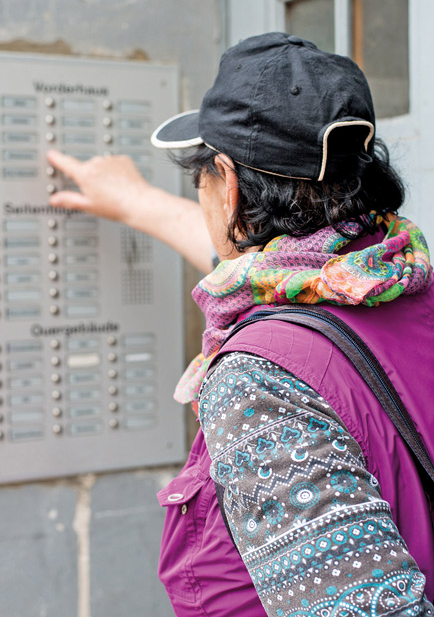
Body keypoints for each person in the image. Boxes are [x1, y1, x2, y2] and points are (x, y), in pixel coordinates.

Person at [48, 33, 434, 617]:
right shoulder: (393, 278)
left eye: (200, 180)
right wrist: (136, 203)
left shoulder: (261, 379)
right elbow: (266, 269)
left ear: (227, 185)